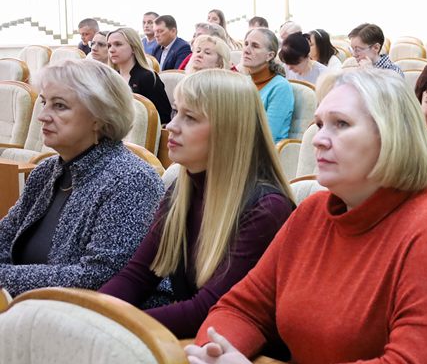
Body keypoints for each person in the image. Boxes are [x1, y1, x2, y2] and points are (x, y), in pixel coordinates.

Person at [186, 69, 427, 364]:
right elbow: (242, 309)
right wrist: (211, 361)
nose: (318, 139)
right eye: (319, 124)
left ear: (391, 136)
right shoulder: (311, 212)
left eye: (340, 124)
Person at [100, 70, 294, 338]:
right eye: (175, 112)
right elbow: (137, 276)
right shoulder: (183, 189)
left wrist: (111, 327)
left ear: (228, 131)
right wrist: (92, 314)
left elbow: (207, 310)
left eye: (189, 117)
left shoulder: (267, 208)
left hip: (241, 354)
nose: (171, 126)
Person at [0, 60, 164, 296]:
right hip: (31, 308)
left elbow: (98, 277)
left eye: (59, 106)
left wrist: (3, 278)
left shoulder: (132, 180)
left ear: (99, 117)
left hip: (96, 315)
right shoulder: (46, 171)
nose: (42, 116)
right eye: (44, 103)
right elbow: (5, 237)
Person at [107, 27, 172, 124]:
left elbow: (164, 117)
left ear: (134, 48)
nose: (111, 50)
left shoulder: (148, 77)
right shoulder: (110, 78)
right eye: (109, 45)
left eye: (118, 44)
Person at [241, 28, 294, 142]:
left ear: (270, 56)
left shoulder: (280, 87)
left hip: (263, 150)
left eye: (255, 46)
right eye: (246, 44)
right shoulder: (243, 82)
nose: (246, 50)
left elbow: (267, 136)